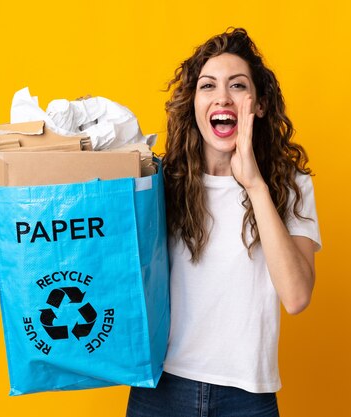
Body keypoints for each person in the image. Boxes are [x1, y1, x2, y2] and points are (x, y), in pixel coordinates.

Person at [126, 27, 321, 417]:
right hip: (160, 388)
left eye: (237, 85)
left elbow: (297, 296)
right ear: (193, 103)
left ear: (259, 105)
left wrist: (253, 184)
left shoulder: (289, 186)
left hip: (246, 397)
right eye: (208, 85)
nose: (222, 97)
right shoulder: (160, 183)